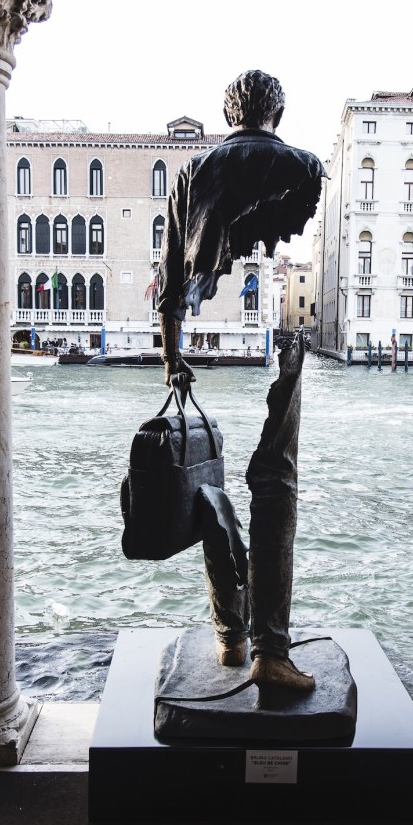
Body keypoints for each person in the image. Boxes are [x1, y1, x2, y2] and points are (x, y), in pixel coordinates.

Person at [157, 70, 326, 691]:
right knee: (277, 485)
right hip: (283, 353)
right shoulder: (304, 168)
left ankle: (230, 636)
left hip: (189, 358)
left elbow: (171, 279)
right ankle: (270, 652)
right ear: (275, 113)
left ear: (230, 112)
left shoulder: (192, 174)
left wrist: (172, 357)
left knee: (207, 485)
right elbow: (287, 229)